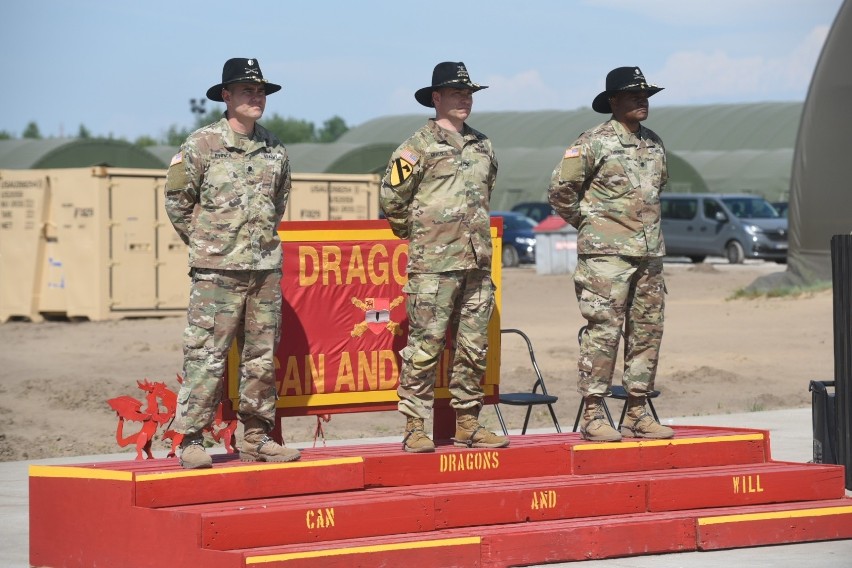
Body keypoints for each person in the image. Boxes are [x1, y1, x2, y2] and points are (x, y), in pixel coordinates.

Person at [164, 58, 301, 468]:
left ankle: (257, 438)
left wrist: (254, 247)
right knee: (206, 354)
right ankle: (190, 438)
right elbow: (177, 203)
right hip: (216, 273)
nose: (256, 97)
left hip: (263, 272)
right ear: (226, 97)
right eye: (247, 91)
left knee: (261, 357)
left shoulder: (275, 149)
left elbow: (278, 203)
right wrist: (210, 245)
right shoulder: (201, 145)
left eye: (260, 91)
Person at [379, 61, 509, 453]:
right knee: (425, 346)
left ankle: (468, 422)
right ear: (436, 98)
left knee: (473, 346)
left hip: (476, 265)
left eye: (468, 93)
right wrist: (422, 235)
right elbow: (391, 198)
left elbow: (486, 188)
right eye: (456, 93)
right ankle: (415, 426)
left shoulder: (483, 145)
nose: (464, 99)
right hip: (434, 266)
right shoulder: (416, 146)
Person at [548, 66, 674, 442]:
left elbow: (655, 190)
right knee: (603, 333)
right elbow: (560, 191)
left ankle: (637, 411)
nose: (642, 100)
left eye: (646, 95)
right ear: (613, 101)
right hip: (606, 258)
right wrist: (593, 226)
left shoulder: (653, 143)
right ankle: (592, 414)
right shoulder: (593, 141)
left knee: (647, 332)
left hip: (648, 254)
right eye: (634, 95)